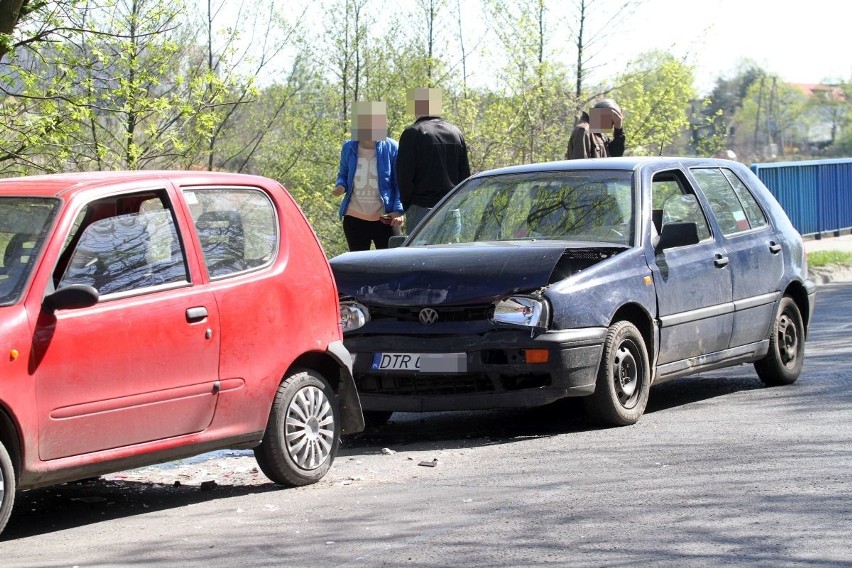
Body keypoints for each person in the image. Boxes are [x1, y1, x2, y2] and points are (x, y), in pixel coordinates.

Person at [333, 101, 404, 251]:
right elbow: (343, 174)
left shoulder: (392, 147)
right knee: (359, 268)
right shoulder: (349, 147)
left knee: (389, 266)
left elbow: (400, 183)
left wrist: (398, 210)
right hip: (354, 219)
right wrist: (341, 186)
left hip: (385, 219)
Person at [397, 87, 471, 232]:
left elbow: (404, 176)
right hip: (451, 208)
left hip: (421, 208)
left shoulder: (412, 134)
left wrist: (408, 206)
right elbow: (465, 176)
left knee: (420, 254)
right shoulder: (455, 133)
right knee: (449, 253)